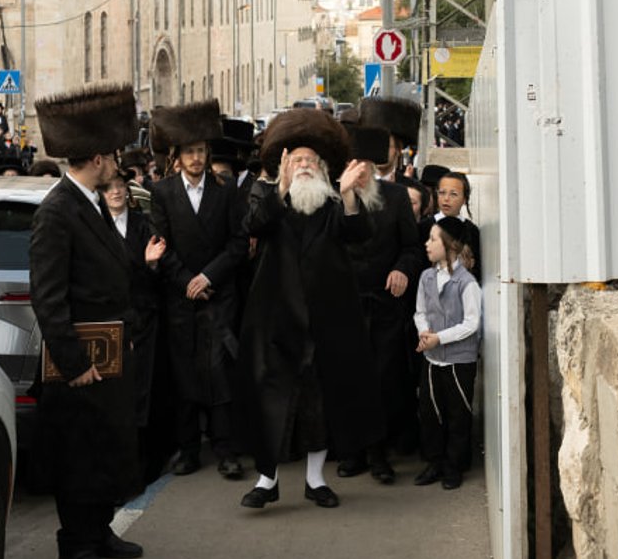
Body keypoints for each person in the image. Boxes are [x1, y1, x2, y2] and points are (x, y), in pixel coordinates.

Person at [236, 109, 381, 512]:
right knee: (272, 399)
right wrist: (279, 187)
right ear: (284, 165)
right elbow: (254, 225)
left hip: (324, 321)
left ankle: (316, 481)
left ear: (322, 168)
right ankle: (267, 481)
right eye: (296, 160)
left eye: (310, 161)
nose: (303, 166)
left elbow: (358, 235)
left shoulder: (333, 202)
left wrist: (351, 192)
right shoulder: (267, 197)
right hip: (274, 321)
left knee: (319, 401)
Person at [29, 81, 145, 559]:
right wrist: (73, 363)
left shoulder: (90, 202)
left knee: (105, 448)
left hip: (109, 353)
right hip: (78, 362)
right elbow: (48, 296)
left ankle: (99, 530)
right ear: (97, 158)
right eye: (114, 155)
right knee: (77, 455)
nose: (119, 163)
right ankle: (74, 545)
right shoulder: (57, 211)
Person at [149, 99, 248, 480]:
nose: (195, 158)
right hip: (182, 300)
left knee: (220, 373)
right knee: (185, 373)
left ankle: (226, 449)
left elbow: (238, 243)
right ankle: (189, 450)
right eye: (189, 151)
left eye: (201, 151)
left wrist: (208, 277)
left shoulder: (225, 192)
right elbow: (160, 244)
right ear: (178, 156)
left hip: (219, 295)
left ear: (208, 154)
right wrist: (186, 281)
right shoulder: (163, 193)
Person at [337, 102, 424, 483]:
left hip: (386, 306)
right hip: (346, 305)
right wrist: (347, 197)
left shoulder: (397, 197)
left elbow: (413, 248)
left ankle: (378, 454)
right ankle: (352, 451)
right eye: (354, 166)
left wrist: (401, 269)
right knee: (349, 379)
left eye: (366, 166)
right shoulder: (334, 198)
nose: (361, 172)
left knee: (383, 380)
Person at [102, 169, 172, 484]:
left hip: (143, 318)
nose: (116, 192)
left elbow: (157, 277)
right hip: (109, 322)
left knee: (142, 390)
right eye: (109, 188)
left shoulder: (144, 226)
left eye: (120, 187)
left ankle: (143, 463)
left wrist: (152, 264)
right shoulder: (97, 227)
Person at [413, 215, 481, 490]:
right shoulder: (426, 277)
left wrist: (438, 338)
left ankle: (454, 467)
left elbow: (472, 323)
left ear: (450, 245)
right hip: (432, 359)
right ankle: (435, 463)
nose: (427, 244)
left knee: (457, 414)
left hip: (458, 361)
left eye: (433, 239)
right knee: (430, 412)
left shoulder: (467, 283)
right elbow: (420, 311)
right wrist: (424, 333)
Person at [434, 171, 482, 280]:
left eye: (453, 194)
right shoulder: (424, 226)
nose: (446, 198)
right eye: (442, 193)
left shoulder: (471, 230)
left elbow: (476, 270)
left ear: (464, 199)